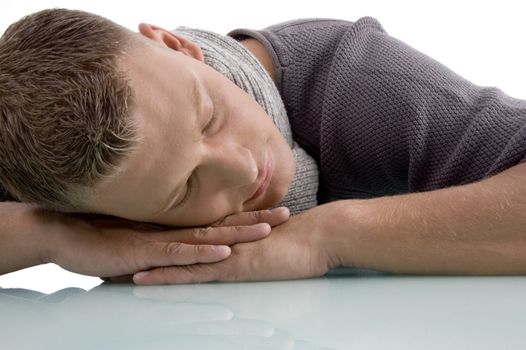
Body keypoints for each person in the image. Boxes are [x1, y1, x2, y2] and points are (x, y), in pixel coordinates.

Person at [1, 9, 526, 285]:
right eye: (184, 188)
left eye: (209, 116)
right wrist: (46, 236)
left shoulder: (355, 75)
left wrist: (325, 237)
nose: (242, 165)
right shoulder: (44, 159)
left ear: (177, 46)